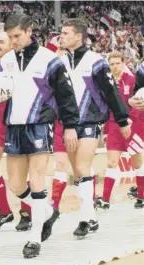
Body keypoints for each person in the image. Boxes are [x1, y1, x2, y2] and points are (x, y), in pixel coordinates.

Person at [0, 13, 79, 258]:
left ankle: (35, 237)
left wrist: (70, 126)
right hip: (13, 126)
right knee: (15, 185)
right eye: (10, 37)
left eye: (17, 36)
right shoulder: (5, 62)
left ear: (28, 31)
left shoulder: (50, 60)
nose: (13, 41)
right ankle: (47, 212)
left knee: (37, 180)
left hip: (39, 123)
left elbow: (67, 96)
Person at [59, 19, 131, 237]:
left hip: (91, 120)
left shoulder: (96, 61)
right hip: (69, 123)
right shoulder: (60, 61)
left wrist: (122, 119)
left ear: (78, 36)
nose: (60, 36)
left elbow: (110, 91)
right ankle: (92, 217)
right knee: (79, 171)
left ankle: (84, 218)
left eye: (65, 33)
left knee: (81, 167)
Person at [0, 31, 32, 231]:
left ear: (13, 45)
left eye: (2, 42)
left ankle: (27, 211)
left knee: (22, 173)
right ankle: (4, 210)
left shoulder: (24, 69)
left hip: (16, 124)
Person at [49, 40, 97, 211]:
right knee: (60, 164)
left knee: (81, 167)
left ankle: (89, 204)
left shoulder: (81, 70)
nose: (59, 52)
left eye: (62, 49)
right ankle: (54, 205)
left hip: (79, 122)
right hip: (59, 123)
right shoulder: (51, 70)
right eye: (57, 49)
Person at [96, 53, 144, 210]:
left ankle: (142, 196)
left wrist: (130, 121)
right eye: (112, 64)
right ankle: (105, 199)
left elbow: (139, 104)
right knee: (111, 163)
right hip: (114, 127)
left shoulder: (132, 80)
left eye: (118, 63)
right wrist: (107, 130)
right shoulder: (107, 83)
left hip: (134, 126)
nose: (115, 66)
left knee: (137, 163)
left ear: (123, 63)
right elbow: (109, 109)